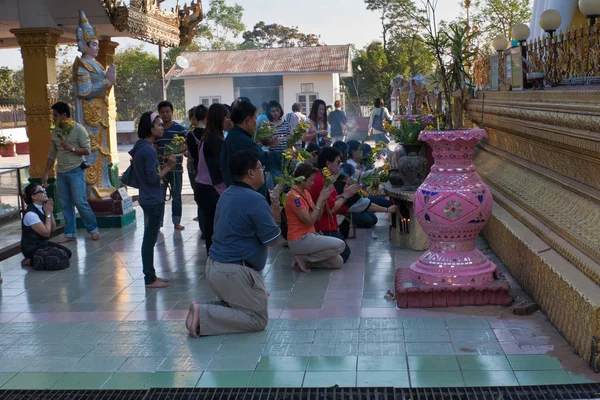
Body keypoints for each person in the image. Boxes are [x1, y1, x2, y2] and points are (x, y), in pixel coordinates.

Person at [186, 150, 282, 337]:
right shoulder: (254, 199)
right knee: (257, 320)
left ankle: (203, 311)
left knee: (245, 307)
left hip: (217, 267)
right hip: (232, 271)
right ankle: (203, 312)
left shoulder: (228, 193)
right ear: (250, 173)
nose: (262, 171)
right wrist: (275, 220)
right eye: (260, 168)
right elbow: (272, 240)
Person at [130, 112, 177, 288]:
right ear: (149, 129)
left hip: (147, 197)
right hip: (152, 198)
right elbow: (152, 179)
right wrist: (169, 167)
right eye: (158, 125)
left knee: (149, 238)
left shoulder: (141, 146)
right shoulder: (147, 149)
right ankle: (149, 278)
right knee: (150, 238)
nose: (162, 127)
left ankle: (151, 275)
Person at [42, 102, 100, 242]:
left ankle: (93, 229)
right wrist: (46, 173)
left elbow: (87, 149)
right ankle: (70, 233)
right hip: (61, 172)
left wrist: (72, 149)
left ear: (63, 115)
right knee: (65, 204)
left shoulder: (78, 129)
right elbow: (51, 154)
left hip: (76, 170)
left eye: (55, 115)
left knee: (80, 202)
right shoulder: (55, 131)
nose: (53, 118)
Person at [285, 163, 345, 272]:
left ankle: (305, 259)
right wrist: (321, 199)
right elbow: (310, 221)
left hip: (310, 236)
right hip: (300, 239)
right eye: (311, 180)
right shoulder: (294, 197)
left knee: (338, 262)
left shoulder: (306, 192)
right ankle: (302, 256)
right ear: (302, 180)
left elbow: (317, 217)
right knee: (340, 245)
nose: (313, 183)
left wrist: (322, 200)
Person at [221, 101, 281, 201]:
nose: (256, 121)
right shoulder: (242, 140)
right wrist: (284, 156)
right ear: (247, 120)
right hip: (247, 195)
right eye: (255, 118)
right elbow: (263, 159)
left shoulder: (235, 136)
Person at [308, 147, 359, 263]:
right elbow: (331, 209)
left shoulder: (326, 178)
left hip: (329, 225)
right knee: (344, 255)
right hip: (321, 227)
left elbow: (334, 198)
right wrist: (345, 196)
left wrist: (346, 193)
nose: (339, 165)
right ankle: (309, 258)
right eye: (337, 162)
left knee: (344, 253)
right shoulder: (319, 179)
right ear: (328, 163)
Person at [195, 103, 228, 253]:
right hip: (210, 188)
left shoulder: (209, 135)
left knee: (211, 226)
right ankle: (214, 258)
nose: (229, 120)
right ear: (218, 119)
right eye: (226, 117)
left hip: (204, 187)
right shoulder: (214, 139)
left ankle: (213, 257)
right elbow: (219, 167)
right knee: (214, 228)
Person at [20, 183, 72, 268]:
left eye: (44, 189)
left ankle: (35, 259)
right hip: (31, 247)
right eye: (41, 191)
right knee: (57, 257)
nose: (45, 192)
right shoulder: (30, 214)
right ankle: (32, 259)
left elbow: (52, 229)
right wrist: (48, 214)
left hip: (42, 244)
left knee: (67, 253)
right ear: (34, 196)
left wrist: (50, 213)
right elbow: (46, 233)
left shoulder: (43, 208)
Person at [156, 100, 188, 230]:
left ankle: (176, 222)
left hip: (176, 169)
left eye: (167, 112)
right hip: (161, 169)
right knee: (160, 197)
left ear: (172, 112)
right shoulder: (158, 130)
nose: (165, 115)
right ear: (159, 114)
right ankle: (159, 224)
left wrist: (174, 151)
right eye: (162, 112)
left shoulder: (180, 129)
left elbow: (187, 144)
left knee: (176, 197)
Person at [186, 105, 207, 234]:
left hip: (195, 170)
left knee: (199, 199)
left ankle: (203, 228)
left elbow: (192, 154)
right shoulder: (210, 133)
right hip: (208, 172)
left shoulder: (190, 135)